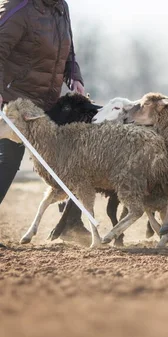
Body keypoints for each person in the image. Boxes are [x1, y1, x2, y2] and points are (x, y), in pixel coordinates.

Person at [0, 0, 86, 243]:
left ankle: (70, 224)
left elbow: (67, 50)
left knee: (72, 156)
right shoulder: (19, 6)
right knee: (8, 160)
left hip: (46, 100)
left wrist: (74, 76)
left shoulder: (60, 6)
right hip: (15, 101)